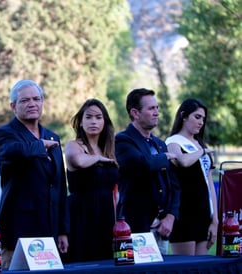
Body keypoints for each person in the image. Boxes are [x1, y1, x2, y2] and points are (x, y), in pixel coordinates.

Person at [0, 79, 69, 268]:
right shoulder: (4, 134)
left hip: (49, 231)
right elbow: (8, 152)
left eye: (36, 99)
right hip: (18, 231)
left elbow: (59, 186)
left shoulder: (52, 136)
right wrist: (39, 146)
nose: (32, 104)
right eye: (25, 100)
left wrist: (62, 230)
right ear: (13, 106)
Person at [115, 88, 180, 254]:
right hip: (137, 226)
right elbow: (142, 164)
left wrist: (170, 217)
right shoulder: (122, 140)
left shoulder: (160, 143)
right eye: (151, 108)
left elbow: (175, 185)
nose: (157, 112)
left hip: (162, 229)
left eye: (157, 108)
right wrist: (165, 157)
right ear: (135, 113)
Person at [64, 99, 118, 262]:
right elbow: (79, 161)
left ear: (104, 122)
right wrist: (99, 158)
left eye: (98, 117)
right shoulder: (74, 145)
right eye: (88, 117)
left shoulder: (110, 149)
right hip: (81, 216)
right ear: (80, 122)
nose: (93, 121)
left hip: (106, 215)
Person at [165, 98, 218, 255]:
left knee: (202, 268)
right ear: (184, 116)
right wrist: (201, 152)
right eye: (197, 117)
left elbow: (210, 185)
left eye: (203, 118)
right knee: (186, 267)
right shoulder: (173, 141)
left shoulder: (200, 144)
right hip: (184, 213)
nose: (201, 122)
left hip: (204, 214)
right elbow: (183, 161)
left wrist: (215, 219)